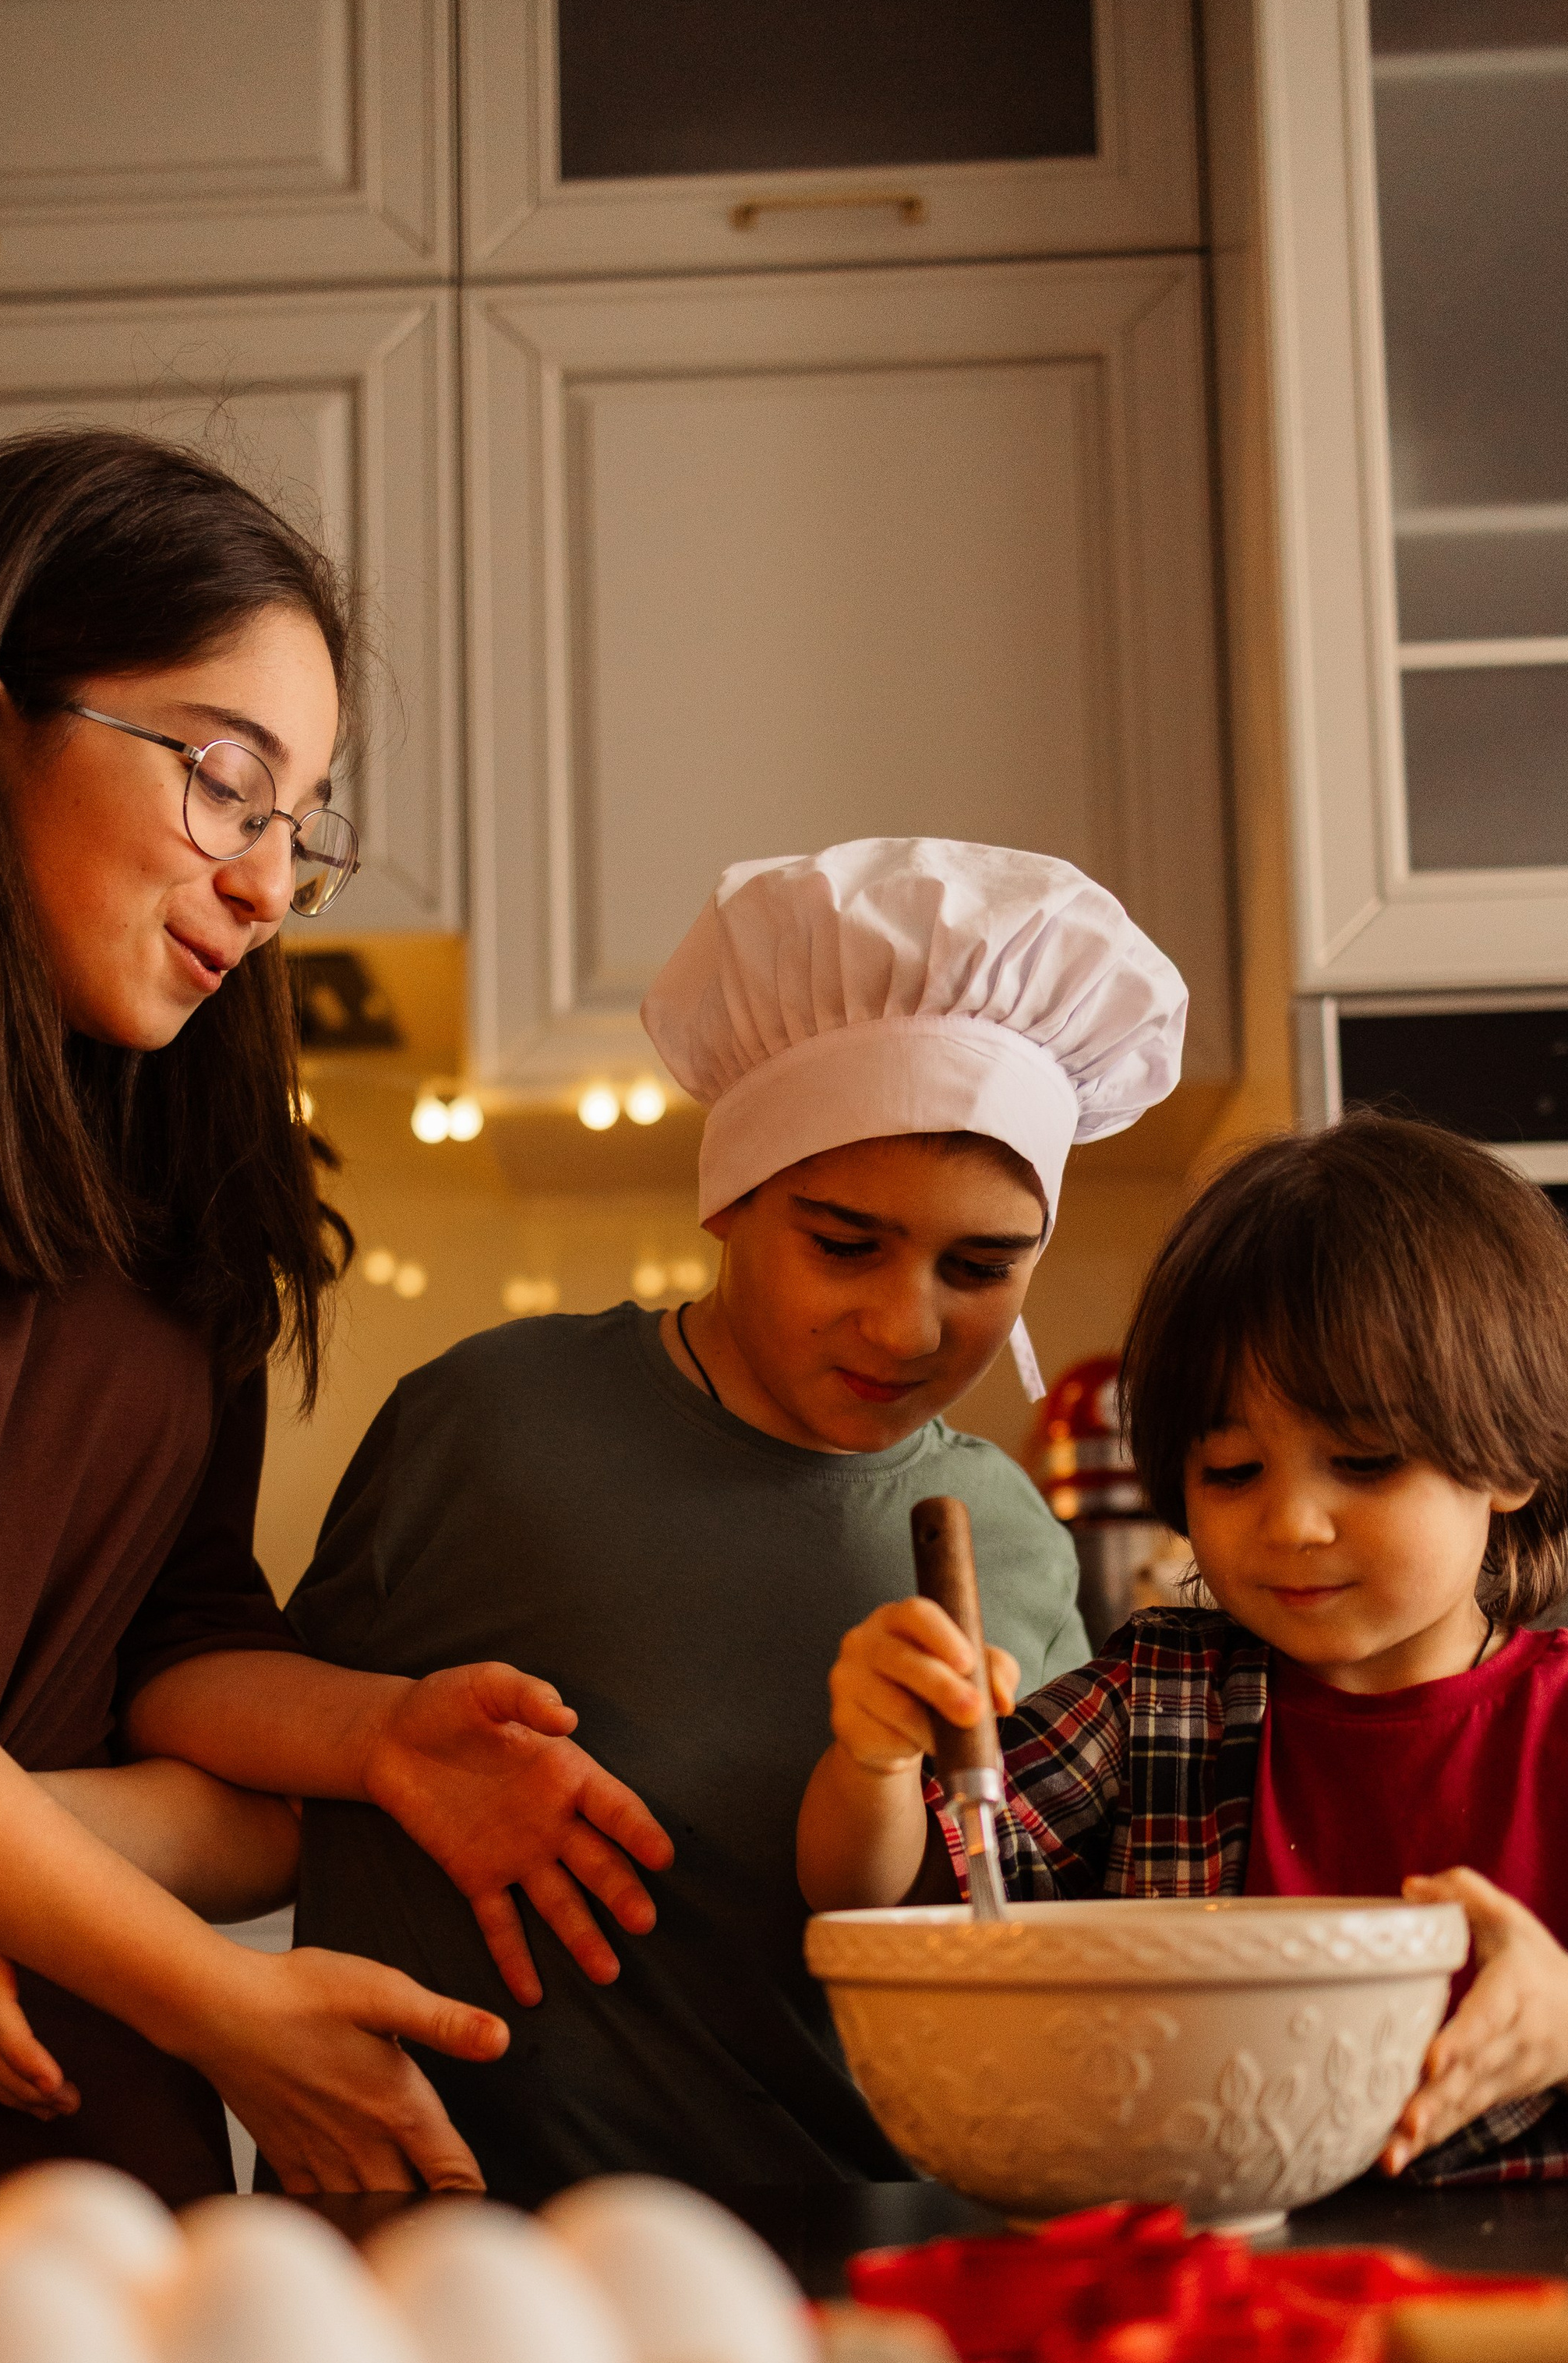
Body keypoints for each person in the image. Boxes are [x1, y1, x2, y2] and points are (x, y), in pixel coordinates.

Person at [0, 426, 673, 2209]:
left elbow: (170, 1655)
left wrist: (364, 1739)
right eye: (227, 781)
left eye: (299, 829)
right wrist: (221, 2004)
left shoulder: (167, 1175)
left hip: (59, 2121)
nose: (268, 885)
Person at [288, 839, 1188, 2198]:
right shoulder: (492, 1423)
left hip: (856, 2257)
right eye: (843, 1243)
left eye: (982, 1266)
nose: (905, 1325)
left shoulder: (1006, 1536)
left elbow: (997, 1954)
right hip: (448, 2234)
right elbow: (246, 1733)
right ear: (730, 1197)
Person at [802, 1112, 1568, 2181]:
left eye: (1362, 1460)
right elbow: (888, 1891)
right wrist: (878, 1764)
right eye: (1232, 1473)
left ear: (1510, 1459)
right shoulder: (1157, 1696)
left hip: (1547, 2311)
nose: (1292, 1524)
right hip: (1209, 2279)